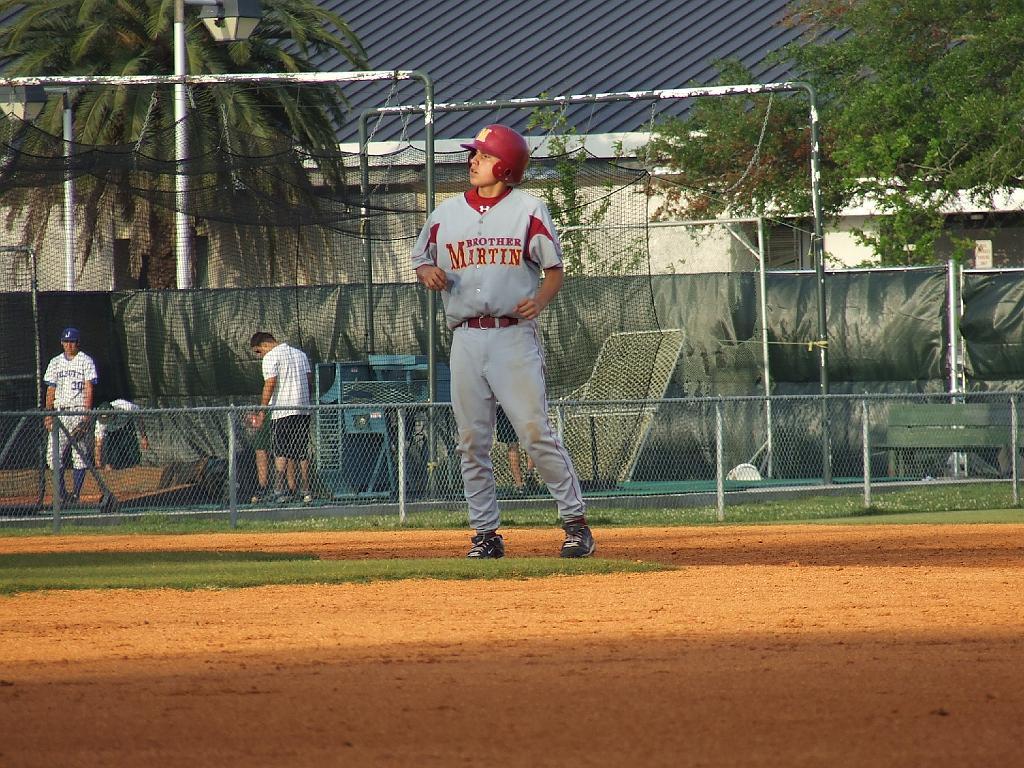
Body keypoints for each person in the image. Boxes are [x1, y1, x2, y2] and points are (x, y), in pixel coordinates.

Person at [411, 123, 594, 559]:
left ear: (505, 166)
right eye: (473, 154)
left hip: (513, 336)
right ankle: (485, 534)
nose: (472, 161)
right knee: (472, 440)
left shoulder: (528, 209)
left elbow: (554, 269)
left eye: (482, 155)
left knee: (535, 434)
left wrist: (541, 301)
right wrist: (426, 273)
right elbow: (421, 257)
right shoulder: (446, 214)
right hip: (466, 339)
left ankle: (575, 523)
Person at [249, 331, 313, 504]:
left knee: (281, 451)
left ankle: (280, 491)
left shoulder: (270, 357)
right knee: (301, 451)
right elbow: (308, 380)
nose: (259, 355)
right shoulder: (300, 355)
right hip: (303, 409)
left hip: (281, 411)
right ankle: (306, 491)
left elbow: (270, 383)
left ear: (264, 345)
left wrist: (262, 410)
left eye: (258, 351)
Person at [43, 327, 97, 504]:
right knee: (52, 454)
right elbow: (50, 389)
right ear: (61, 342)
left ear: (77, 343)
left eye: (72, 341)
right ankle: (62, 493)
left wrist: (86, 415)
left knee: (79, 454)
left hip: (78, 409)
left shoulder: (85, 361)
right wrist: (48, 413)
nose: (68, 344)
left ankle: (75, 494)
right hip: (60, 411)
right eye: (66, 341)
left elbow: (89, 387)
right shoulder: (55, 362)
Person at [93, 399, 149, 470]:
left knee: (133, 456)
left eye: (108, 419)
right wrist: (98, 462)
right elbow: (98, 443)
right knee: (110, 461)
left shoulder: (126, 407)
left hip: (127, 426)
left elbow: (139, 418)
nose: (106, 421)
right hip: (111, 432)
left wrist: (144, 437)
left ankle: (136, 470)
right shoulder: (100, 423)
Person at [496, 405, 535, 495]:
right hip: (519, 405)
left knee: (513, 445)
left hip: (507, 406)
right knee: (530, 440)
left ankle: (519, 484)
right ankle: (529, 472)